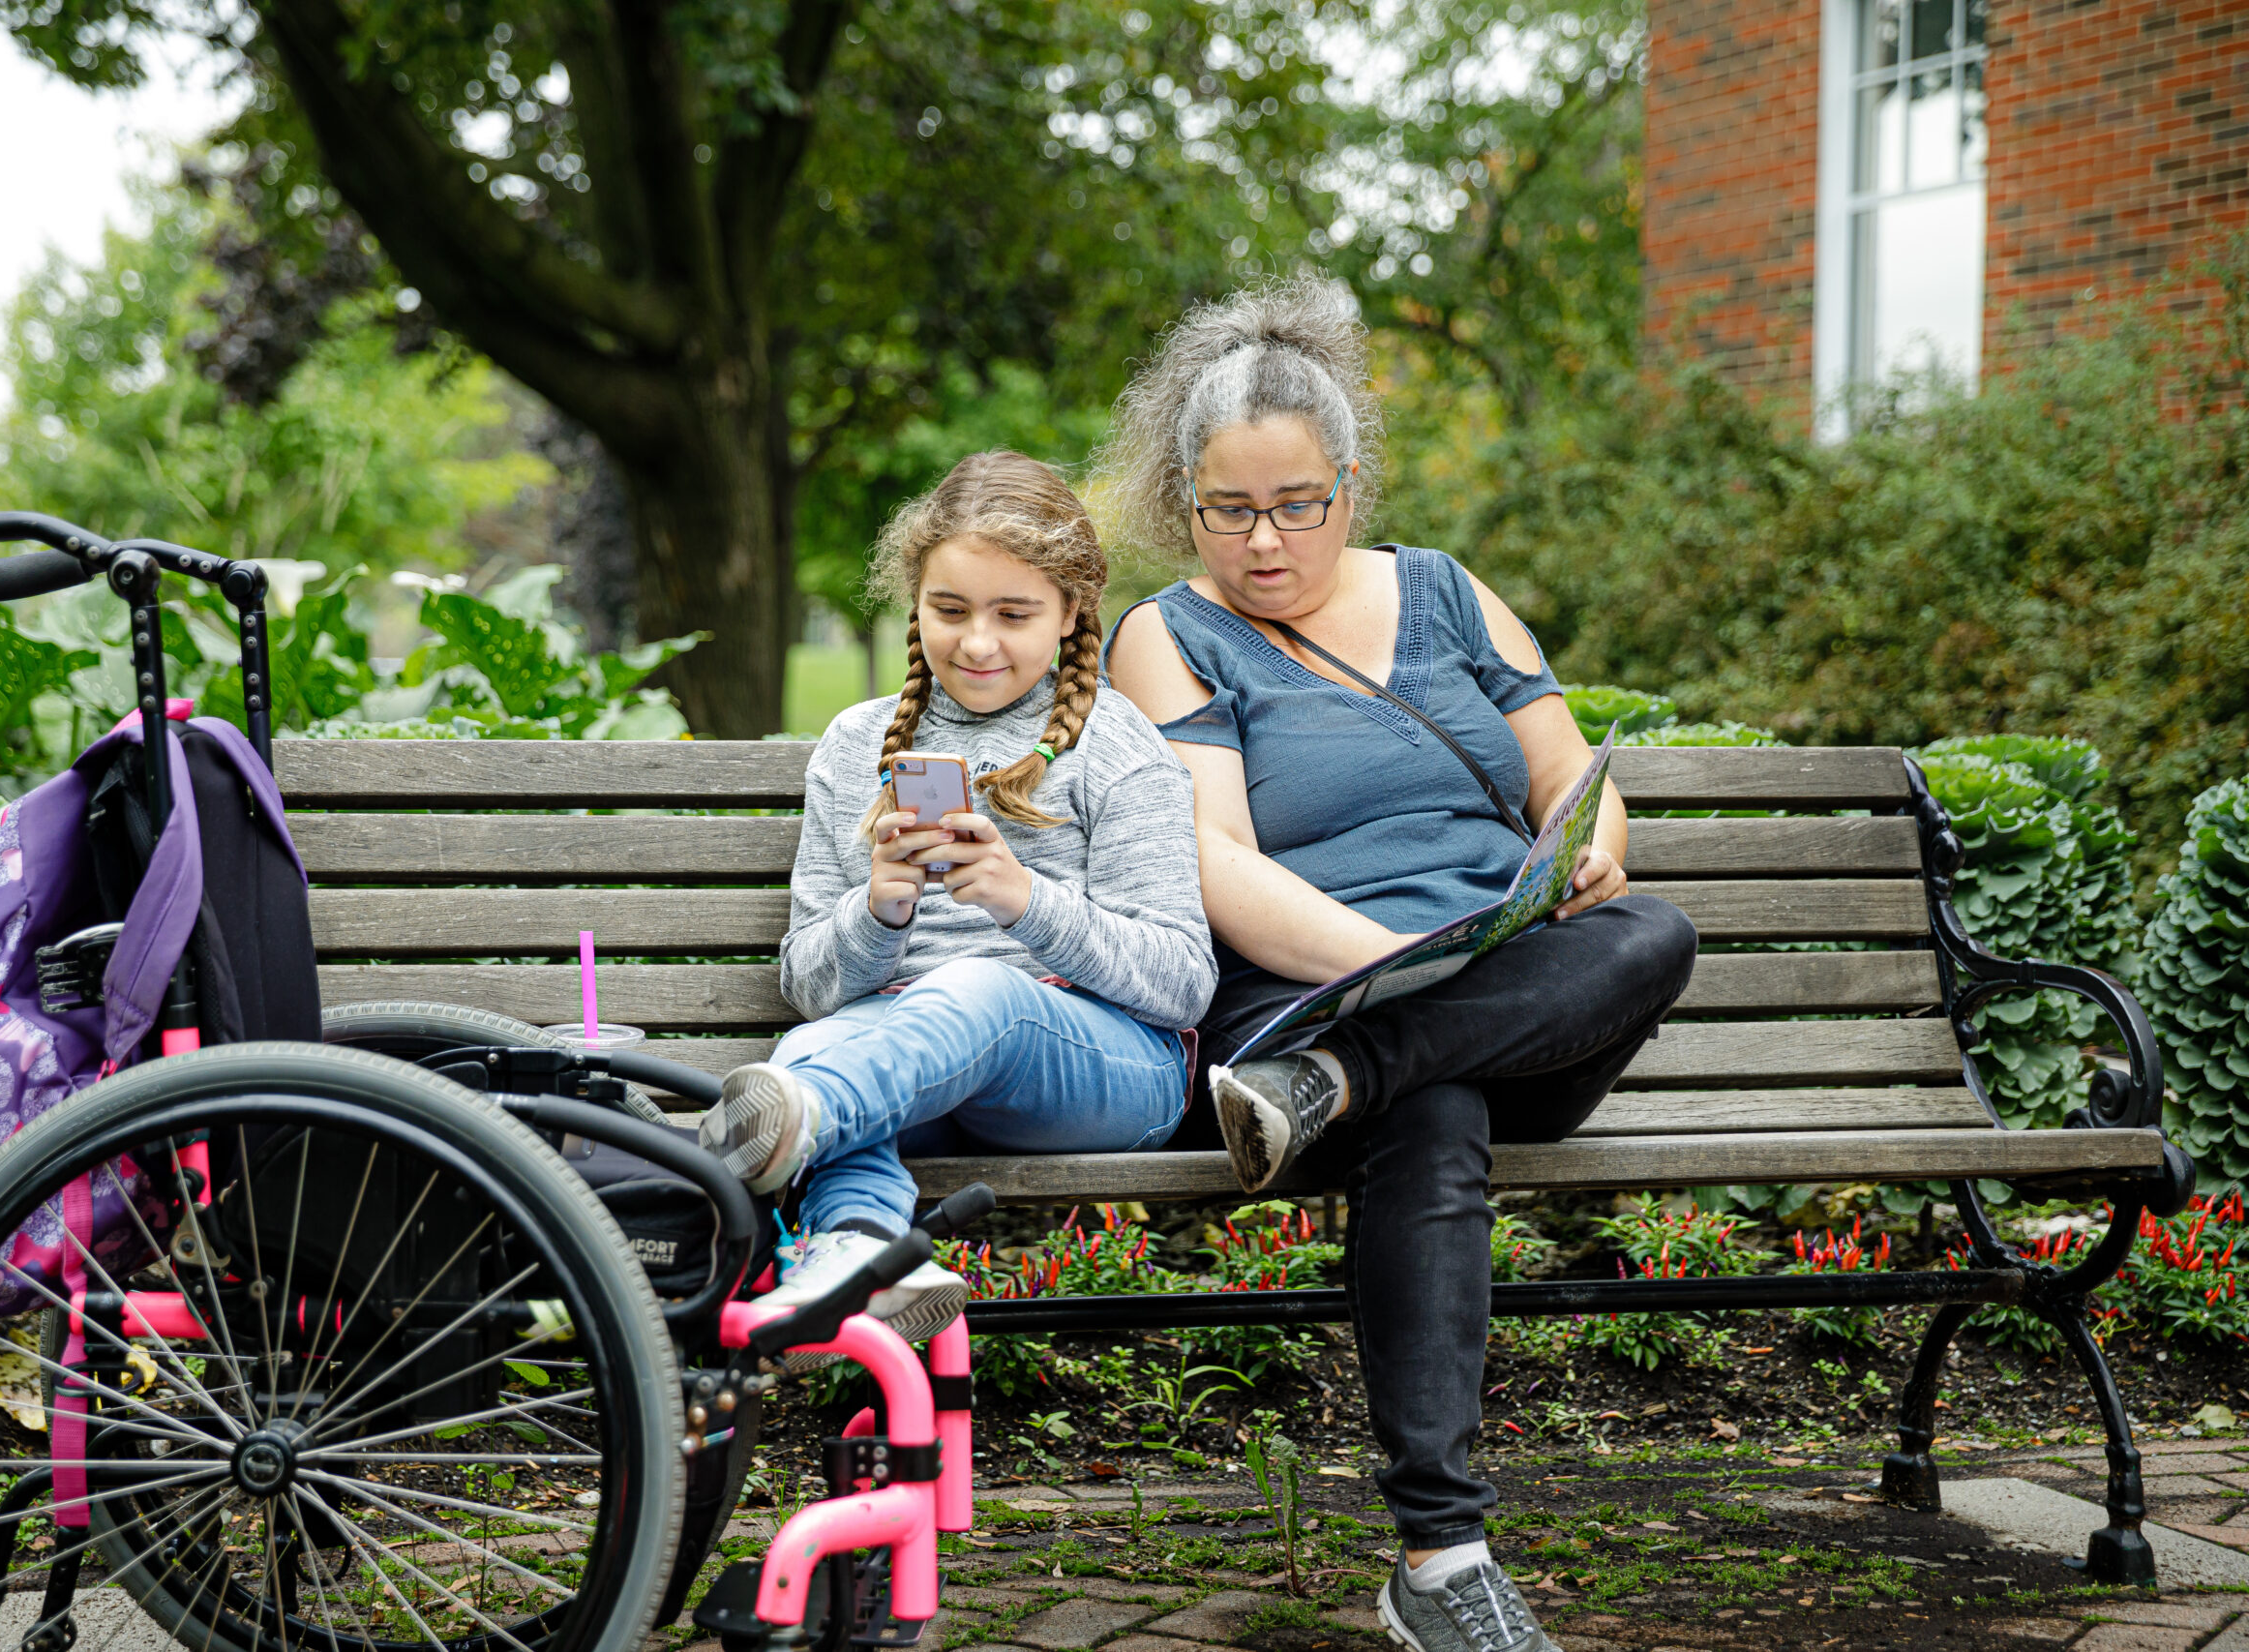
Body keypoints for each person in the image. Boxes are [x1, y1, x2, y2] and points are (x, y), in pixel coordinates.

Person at [1101, 278, 1698, 1652]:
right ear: (1181, 497)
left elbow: (1573, 780)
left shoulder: (1446, 594)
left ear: (1349, 483)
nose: (1263, 539)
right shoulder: (1168, 634)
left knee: (1655, 929)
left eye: (1296, 502)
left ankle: (1345, 1078)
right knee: (1429, 1109)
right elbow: (1215, 862)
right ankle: (1443, 1557)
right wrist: (1394, 965)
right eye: (1225, 508)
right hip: (1311, 987)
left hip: (1485, 1003)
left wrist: (1588, 850)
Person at [699, 451, 1216, 1340]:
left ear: (1070, 612)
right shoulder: (858, 743)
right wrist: (879, 909)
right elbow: (811, 982)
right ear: (916, 604)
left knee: (958, 999)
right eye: (950, 610)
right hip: (912, 1067)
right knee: (823, 1037)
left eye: (1013, 614)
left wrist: (1025, 901)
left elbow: (1182, 983)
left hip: (1107, 1071)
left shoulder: (1117, 744)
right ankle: (860, 1249)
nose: (977, 642)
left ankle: (790, 1121)